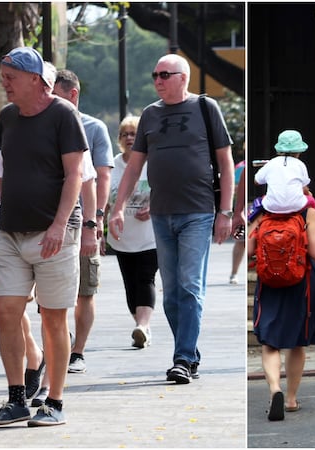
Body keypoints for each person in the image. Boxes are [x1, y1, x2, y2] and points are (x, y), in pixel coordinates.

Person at [108, 53, 235, 384]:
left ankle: (181, 357)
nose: (158, 81)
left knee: (191, 286)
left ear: (183, 77)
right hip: (161, 215)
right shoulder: (150, 114)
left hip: (198, 212)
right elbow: (134, 166)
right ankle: (189, 352)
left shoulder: (206, 109)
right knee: (172, 293)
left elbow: (225, 162)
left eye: (164, 75)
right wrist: (118, 206)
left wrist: (226, 212)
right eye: (155, 75)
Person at [0, 46, 89, 427]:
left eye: (10, 78)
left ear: (35, 80)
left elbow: (75, 174)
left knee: (53, 319)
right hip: (11, 231)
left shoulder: (64, 114)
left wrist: (61, 225)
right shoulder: (8, 116)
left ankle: (55, 402)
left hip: (53, 232)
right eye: (3, 77)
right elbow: (2, 171)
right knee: (6, 313)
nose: (5, 84)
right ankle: (16, 399)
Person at [52, 69, 114, 374]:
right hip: (49, 220)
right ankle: (58, 343)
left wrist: (97, 219)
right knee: (55, 292)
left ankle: (78, 351)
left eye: (54, 93)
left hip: (83, 220)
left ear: (72, 94)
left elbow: (102, 175)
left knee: (85, 290)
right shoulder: (41, 124)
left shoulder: (94, 128)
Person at [248, 196, 315, 421]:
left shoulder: (263, 210)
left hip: (269, 283)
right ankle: (291, 399)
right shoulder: (307, 211)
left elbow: (250, 248)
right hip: (301, 283)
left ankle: (275, 390)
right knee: (297, 341)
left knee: (270, 342)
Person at [107, 115, 158, 349]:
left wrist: (153, 206)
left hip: (150, 236)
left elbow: (167, 190)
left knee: (145, 278)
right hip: (122, 237)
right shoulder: (112, 165)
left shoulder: (153, 163)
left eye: (134, 134)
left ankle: (143, 326)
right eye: (125, 134)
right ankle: (142, 327)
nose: (129, 138)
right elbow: (105, 198)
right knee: (130, 285)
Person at [250, 130, 315, 220]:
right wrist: (309, 194)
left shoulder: (271, 163)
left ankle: (253, 229)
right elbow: (304, 189)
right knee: (311, 201)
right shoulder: (300, 164)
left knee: (259, 204)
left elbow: (257, 181)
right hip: (295, 205)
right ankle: (314, 230)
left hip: (272, 206)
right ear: (299, 151)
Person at [229, 159, 246, 284]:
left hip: (258, 208)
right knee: (240, 241)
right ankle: (234, 273)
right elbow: (232, 187)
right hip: (244, 209)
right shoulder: (240, 167)